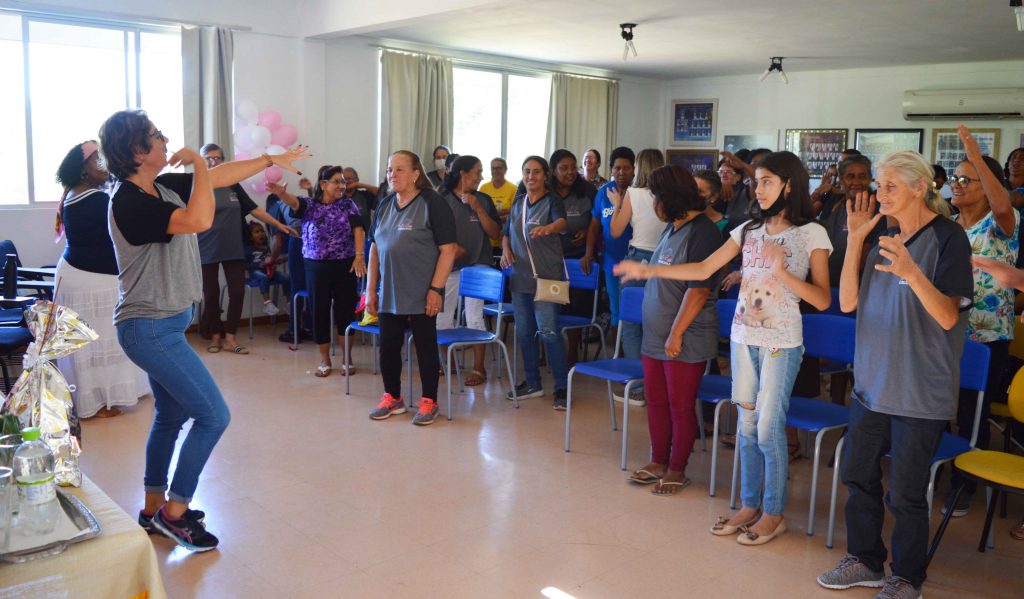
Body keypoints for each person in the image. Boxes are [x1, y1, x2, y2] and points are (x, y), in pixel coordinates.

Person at [100, 109, 308, 551]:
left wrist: (271, 158)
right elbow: (198, 220)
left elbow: (220, 177)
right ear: (137, 151)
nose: (164, 139)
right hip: (149, 328)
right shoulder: (130, 202)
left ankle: (152, 508)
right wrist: (197, 162)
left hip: (162, 325)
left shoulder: (159, 187)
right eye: (156, 135)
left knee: (171, 416)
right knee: (214, 416)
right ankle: (175, 514)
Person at [616, 151, 832, 545]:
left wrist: (781, 272)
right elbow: (703, 269)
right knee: (747, 428)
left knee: (768, 429)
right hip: (742, 340)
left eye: (767, 181)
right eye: (757, 181)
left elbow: (822, 299)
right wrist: (649, 269)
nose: (757, 188)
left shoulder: (811, 233)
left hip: (781, 345)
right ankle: (749, 505)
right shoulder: (748, 229)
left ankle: (774, 513)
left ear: (789, 185)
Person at [816, 150, 973, 599]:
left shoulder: (948, 238)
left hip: (919, 392)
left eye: (889, 186)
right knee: (857, 475)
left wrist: (911, 271)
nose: (878, 194)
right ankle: (865, 561)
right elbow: (848, 303)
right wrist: (855, 242)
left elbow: (947, 316)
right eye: (878, 186)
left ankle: (906, 578)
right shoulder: (883, 236)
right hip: (871, 385)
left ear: (920, 188)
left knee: (905, 493)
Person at [626, 165, 722, 495]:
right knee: (656, 401)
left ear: (672, 198)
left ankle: (677, 469)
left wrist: (676, 333)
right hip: (657, 334)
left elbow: (699, 290)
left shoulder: (703, 233)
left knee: (680, 405)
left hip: (684, 336)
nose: (654, 205)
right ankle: (658, 461)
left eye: (656, 198)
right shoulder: (673, 227)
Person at [943, 125, 1019, 518]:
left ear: (987, 187)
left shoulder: (1001, 223)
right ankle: (937, 470)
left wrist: (974, 152)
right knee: (939, 406)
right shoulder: (947, 224)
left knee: (972, 414)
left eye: (965, 179)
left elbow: (1002, 206)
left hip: (986, 336)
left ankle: (964, 485)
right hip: (946, 331)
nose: (956, 185)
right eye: (954, 178)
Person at [53, 140, 148, 420]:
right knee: (100, 342)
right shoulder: (95, 199)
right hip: (90, 280)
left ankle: (104, 397)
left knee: (94, 343)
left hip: (80, 274)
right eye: (98, 160)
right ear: (83, 168)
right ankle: (101, 402)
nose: (104, 165)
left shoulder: (77, 192)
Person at [365, 150, 457, 426]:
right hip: (389, 291)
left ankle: (430, 401)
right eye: (389, 169)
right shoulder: (384, 204)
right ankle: (393, 398)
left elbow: (449, 250)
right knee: (388, 347)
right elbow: (374, 249)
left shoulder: (432, 202)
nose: (392, 174)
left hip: (423, 291)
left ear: (416, 174)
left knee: (425, 347)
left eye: (399, 169)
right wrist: (370, 290)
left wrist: (436, 289)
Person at [196, 143, 297, 355]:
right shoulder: (196, 184)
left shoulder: (233, 184)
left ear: (223, 161)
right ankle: (215, 336)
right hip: (206, 248)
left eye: (217, 158)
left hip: (234, 247)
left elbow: (254, 209)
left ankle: (231, 338)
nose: (213, 162)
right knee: (211, 295)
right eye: (208, 158)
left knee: (237, 292)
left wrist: (278, 225)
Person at [266, 165, 366, 378]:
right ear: (323, 184)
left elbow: (359, 229)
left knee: (345, 312)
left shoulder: (348, 204)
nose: (342, 186)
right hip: (316, 266)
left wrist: (359, 256)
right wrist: (281, 194)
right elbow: (294, 202)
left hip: (345, 265)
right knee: (319, 312)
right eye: (337, 181)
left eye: (343, 182)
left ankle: (347, 359)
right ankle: (325, 360)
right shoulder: (309, 205)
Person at [500, 156, 570, 409]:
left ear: (545, 175)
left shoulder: (552, 201)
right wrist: (506, 250)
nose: (531, 176)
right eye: (527, 172)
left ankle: (562, 388)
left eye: (537, 172)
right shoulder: (518, 202)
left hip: (548, 278)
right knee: (525, 333)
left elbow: (562, 223)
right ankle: (532, 383)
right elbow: (506, 233)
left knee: (549, 332)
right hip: (520, 279)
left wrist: (549, 228)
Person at [436, 155, 502, 385]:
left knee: (474, 316)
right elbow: (431, 232)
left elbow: (495, 233)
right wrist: (451, 249)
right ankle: (447, 363)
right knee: (442, 317)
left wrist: (477, 207)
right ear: (463, 174)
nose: (481, 177)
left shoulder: (483, 199)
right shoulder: (441, 199)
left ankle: (478, 369)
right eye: (478, 172)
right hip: (449, 265)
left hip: (478, 265)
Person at [610, 149, 665, 365]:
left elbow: (615, 231)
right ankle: (655, 376)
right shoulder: (669, 195)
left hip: (637, 257)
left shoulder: (633, 193)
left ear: (638, 167)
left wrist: (617, 205)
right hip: (665, 259)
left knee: (631, 323)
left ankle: (635, 378)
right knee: (658, 322)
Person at [549, 149, 596, 365]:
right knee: (552, 305)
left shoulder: (587, 190)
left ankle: (572, 351)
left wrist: (587, 231)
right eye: (564, 168)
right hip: (552, 259)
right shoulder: (545, 190)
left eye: (573, 167)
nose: (570, 172)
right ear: (553, 170)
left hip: (578, 258)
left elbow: (597, 221)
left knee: (576, 305)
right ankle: (549, 351)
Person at [582, 146, 635, 331]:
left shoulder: (639, 193)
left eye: (626, 168)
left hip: (636, 261)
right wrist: (588, 253)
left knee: (634, 311)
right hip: (611, 260)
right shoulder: (603, 192)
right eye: (617, 168)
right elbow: (594, 227)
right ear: (611, 170)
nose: (621, 172)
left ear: (634, 169)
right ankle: (616, 347)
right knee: (615, 310)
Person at [821, 154, 884, 285]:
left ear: (870, 178)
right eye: (850, 176)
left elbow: (867, 251)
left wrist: (846, 282)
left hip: (856, 284)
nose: (856, 182)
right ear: (841, 179)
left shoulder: (877, 208)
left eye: (862, 176)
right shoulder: (833, 203)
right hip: (826, 282)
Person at [243, 221, 291, 315]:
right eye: (257, 232)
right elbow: (245, 265)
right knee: (263, 277)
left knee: (286, 277)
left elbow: (270, 260)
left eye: (262, 231)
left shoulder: (267, 247)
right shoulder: (248, 249)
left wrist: (272, 265)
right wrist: (258, 265)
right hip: (256, 273)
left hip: (269, 272)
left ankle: (288, 303)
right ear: (251, 237)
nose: (261, 233)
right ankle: (267, 304)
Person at [479, 157, 517, 254]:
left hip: (505, 240)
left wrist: (492, 216)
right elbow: (479, 211)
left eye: (498, 168)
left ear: (505, 170)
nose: (495, 171)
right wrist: (501, 214)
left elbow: (514, 214)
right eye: (493, 168)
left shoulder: (513, 189)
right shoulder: (483, 188)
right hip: (487, 240)